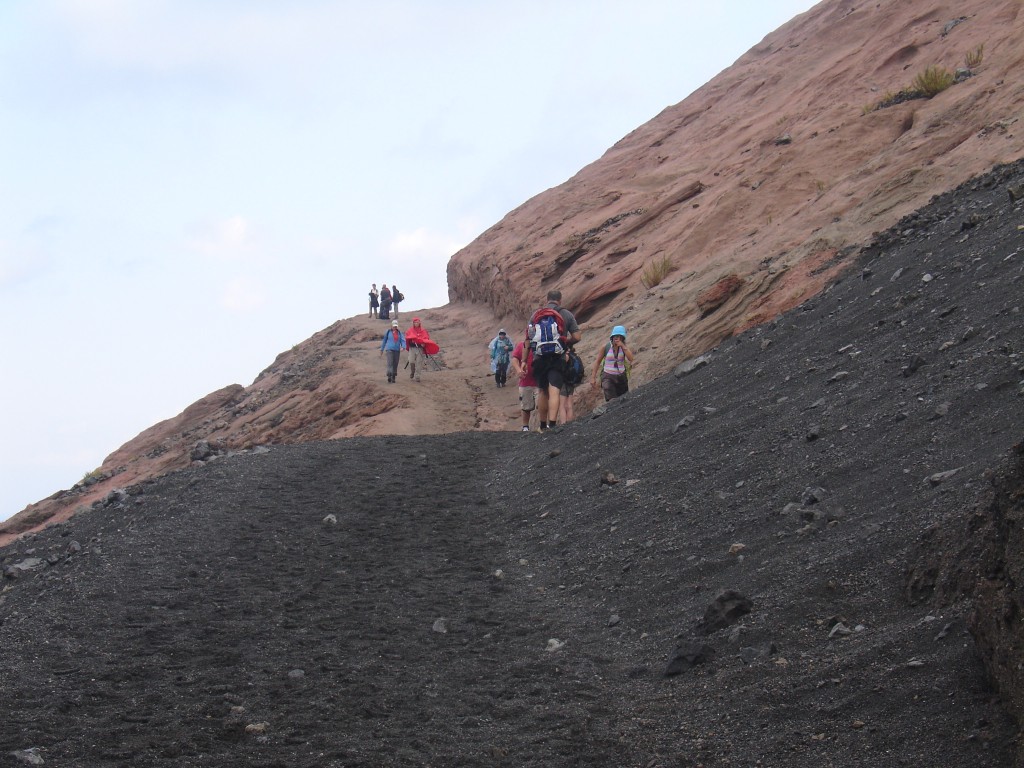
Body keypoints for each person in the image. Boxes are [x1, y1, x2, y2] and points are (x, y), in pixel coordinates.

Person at [531, 289, 581, 431]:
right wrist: (566, 343)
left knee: (542, 391)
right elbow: (577, 337)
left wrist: (524, 360)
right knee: (554, 391)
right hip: (558, 357)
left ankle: (542, 425)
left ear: (547, 300)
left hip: (539, 357)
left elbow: (528, 339)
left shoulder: (536, 315)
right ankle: (552, 424)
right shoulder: (566, 314)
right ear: (560, 300)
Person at [592, 325, 635, 401]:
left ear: (622, 338)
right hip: (608, 376)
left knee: (624, 398)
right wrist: (593, 377)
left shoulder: (624, 347)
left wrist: (623, 346)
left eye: (619, 336)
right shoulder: (606, 347)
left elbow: (631, 358)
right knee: (611, 398)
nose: (616, 338)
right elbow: (597, 362)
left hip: (621, 376)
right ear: (612, 337)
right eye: (615, 336)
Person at [511, 327, 538, 432]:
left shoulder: (542, 346)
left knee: (540, 405)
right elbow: (514, 359)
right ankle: (525, 426)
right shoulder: (521, 346)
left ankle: (541, 424)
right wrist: (518, 370)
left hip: (539, 382)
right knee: (526, 406)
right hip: (526, 381)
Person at [405, 317, 431, 382]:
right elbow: (407, 337)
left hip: (420, 348)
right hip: (412, 348)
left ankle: (417, 376)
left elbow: (426, 338)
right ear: (413, 323)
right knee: (411, 360)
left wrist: (424, 343)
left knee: (419, 362)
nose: (416, 323)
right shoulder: (410, 330)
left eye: (417, 322)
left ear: (419, 323)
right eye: (415, 322)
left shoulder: (423, 330)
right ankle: (412, 370)